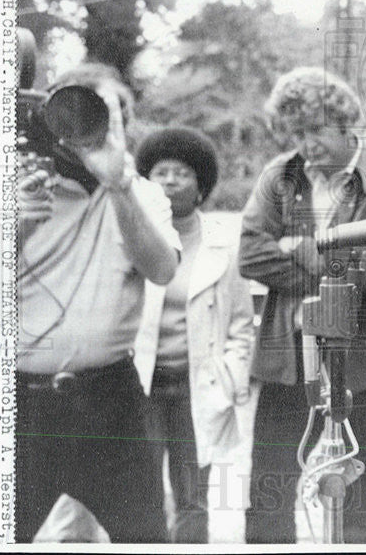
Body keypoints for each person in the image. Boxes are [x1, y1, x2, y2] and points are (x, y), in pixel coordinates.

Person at [239, 67, 366, 543]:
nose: (306, 145)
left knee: (359, 498)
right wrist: (330, 258)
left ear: (343, 121)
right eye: (296, 133)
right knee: (268, 494)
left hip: (361, 364)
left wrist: (301, 248)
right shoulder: (281, 175)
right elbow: (250, 255)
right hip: (288, 360)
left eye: (314, 130)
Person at [16, 63, 180, 543]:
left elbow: (162, 270)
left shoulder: (143, 195)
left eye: (109, 115)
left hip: (112, 401)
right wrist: (15, 226)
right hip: (23, 401)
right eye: (79, 113)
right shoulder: (19, 190)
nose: (91, 128)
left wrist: (119, 186)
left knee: (146, 539)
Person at [132, 127, 255, 543]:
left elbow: (241, 324)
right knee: (138, 494)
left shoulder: (223, 243)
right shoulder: (132, 234)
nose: (169, 181)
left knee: (192, 498)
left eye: (181, 173)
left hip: (195, 388)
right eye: (160, 172)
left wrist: (230, 377)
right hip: (140, 386)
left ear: (200, 185)